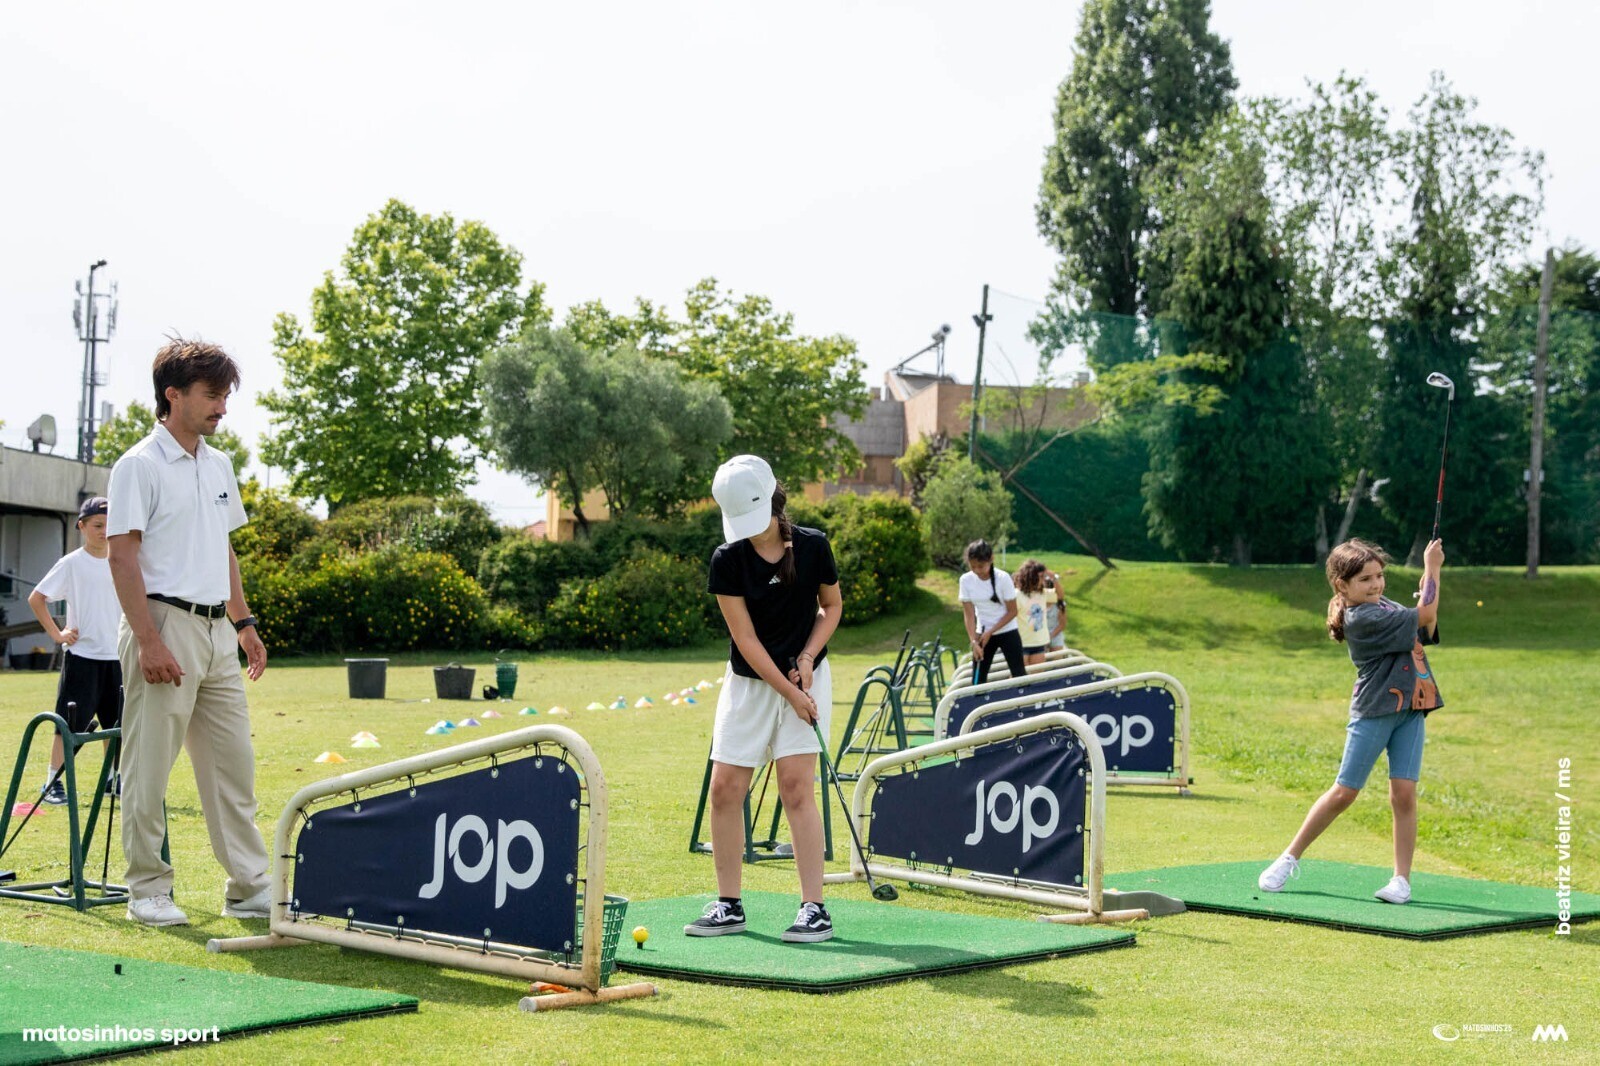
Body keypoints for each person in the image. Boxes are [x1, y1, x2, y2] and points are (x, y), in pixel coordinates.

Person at [106, 337, 272, 928]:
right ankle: (147, 889)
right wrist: (148, 641)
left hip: (216, 632)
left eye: (226, 395)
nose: (222, 406)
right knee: (149, 766)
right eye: (212, 394)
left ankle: (249, 886)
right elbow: (121, 557)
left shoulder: (218, 463)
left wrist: (244, 623)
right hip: (163, 623)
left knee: (233, 767)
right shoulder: (139, 465)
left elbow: (221, 548)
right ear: (172, 394)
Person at [687, 455, 843, 944]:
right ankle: (729, 905)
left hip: (807, 677)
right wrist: (788, 691)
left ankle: (814, 908)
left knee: (796, 787)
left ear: (774, 500)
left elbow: (831, 606)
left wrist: (808, 656)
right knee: (724, 789)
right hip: (751, 684)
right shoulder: (727, 559)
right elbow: (746, 640)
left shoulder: (813, 546)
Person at [1258, 537, 1445, 905]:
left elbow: (1427, 624)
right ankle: (1288, 858)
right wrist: (1432, 568)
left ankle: (1401, 881)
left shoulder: (1385, 605)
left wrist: (1428, 586)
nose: (1376, 584)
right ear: (1341, 585)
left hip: (1410, 709)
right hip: (1374, 712)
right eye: (1365, 579)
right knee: (1345, 792)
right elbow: (1424, 616)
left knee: (1404, 794)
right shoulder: (1361, 617)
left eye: (1379, 576)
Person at [27, 497, 123, 805]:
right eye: (97, 525)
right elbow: (37, 598)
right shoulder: (72, 563)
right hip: (82, 658)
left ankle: (113, 779)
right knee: (68, 724)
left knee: (116, 724)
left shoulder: (122, 562)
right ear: (81, 526)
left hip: (117, 657)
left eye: (109, 525)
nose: (104, 531)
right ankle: (52, 783)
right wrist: (58, 635)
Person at [959, 539, 1022, 685]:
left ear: (991, 559)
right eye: (973, 566)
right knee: (978, 680)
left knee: (1019, 675)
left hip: (1007, 631)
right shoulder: (965, 580)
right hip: (981, 633)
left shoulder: (1003, 578)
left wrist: (990, 632)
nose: (977, 570)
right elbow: (969, 614)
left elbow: (1013, 611)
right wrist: (973, 641)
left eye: (981, 566)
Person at [1012, 559, 1053, 667]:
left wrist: (1054, 578)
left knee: (1036, 675)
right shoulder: (1017, 595)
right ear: (1031, 577)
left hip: (1039, 642)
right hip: (1021, 643)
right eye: (1041, 577)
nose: (1044, 580)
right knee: (1019, 675)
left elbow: (1060, 596)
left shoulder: (1043, 593)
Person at [1043, 569, 1069, 653]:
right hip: (1039, 635)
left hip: (1055, 634)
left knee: (1056, 655)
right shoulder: (1038, 600)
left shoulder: (1058, 603)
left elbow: (1062, 624)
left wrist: (1053, 578)